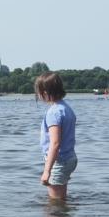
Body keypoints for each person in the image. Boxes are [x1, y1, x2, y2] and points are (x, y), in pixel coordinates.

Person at [35, 72, 77, 200]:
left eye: (39, 92)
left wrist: (47, 171)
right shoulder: (66, 108)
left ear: (45, 92)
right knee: (61, 200)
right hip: (69, 157)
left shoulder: (54, 112)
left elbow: (55, 143)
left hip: (59, 161)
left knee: (55, 205)